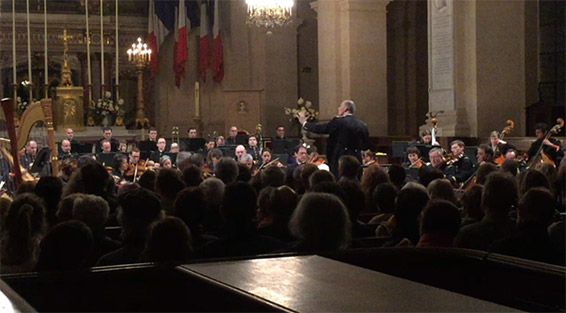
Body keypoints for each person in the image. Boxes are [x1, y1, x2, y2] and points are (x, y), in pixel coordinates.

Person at [298, 100, 369, 176]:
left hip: (340, 160)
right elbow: (365, 146)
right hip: (357, 159)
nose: (338, 108)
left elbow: (322, 129)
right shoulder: (362, 125)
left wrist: (305, 123)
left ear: (345, 109)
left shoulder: (338, 122)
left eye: (340, 106)